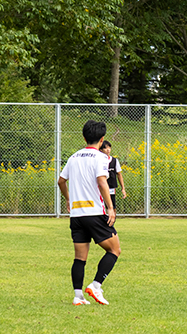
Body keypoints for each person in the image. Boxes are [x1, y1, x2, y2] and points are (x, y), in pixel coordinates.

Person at [57, 120, 121, 306]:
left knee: (80, 257)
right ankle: (95, 285)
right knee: (114, 249)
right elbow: (102, 183)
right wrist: (110, 207)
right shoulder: (101, 158)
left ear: (84, 137)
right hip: (94, 213)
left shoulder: (73, 157)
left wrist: (68, 199)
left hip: (77, 215)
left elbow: (61, 181)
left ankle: (78, 297)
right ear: (102, 140)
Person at [98, 140, 127, 213]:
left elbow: (119, 174)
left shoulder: (114, 161)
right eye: (105, 148)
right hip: (99, 187)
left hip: (111, 187)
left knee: (112, 205)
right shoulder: (97, 160)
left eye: (109, 148)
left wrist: (123, 188)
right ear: (100, 150)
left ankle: (111, 221)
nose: (108, 150)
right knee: (100, 206)